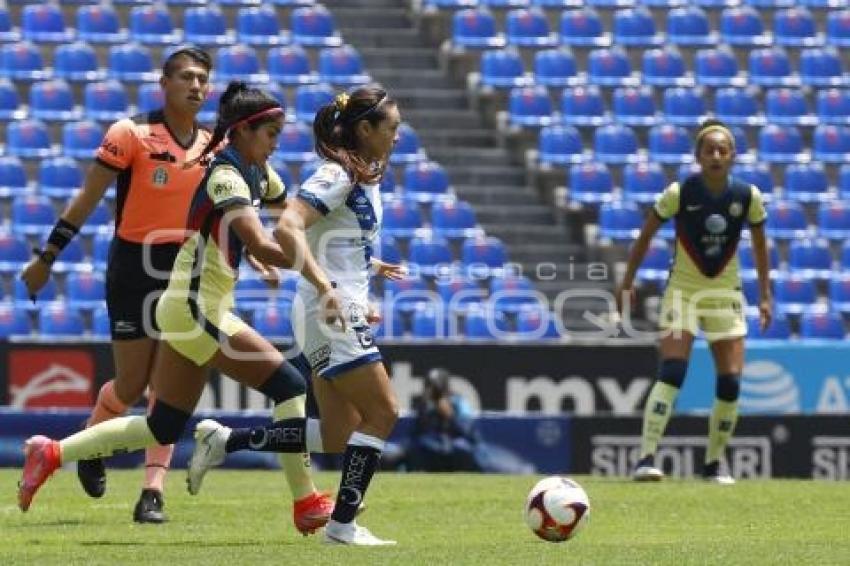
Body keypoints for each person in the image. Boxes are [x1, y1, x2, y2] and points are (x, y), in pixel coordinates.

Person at [17, 82, 337, 536]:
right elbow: (265, 240)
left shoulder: (258, 174)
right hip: (194, 309)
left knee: (162, 425)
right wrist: (309, 267)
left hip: (193, 307)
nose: (277, 142)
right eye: (271, 133)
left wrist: (341, 252)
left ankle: (50, 453)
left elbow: (291, 222)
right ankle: (306, 502)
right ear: (244, 131)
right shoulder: (225, 175)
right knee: (288, 385)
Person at [185, 85, 404, 546]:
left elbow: (332, 238)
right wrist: (329, 287)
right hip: (330, 308)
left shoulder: (361, 176)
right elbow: (288, 226)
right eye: (392, 127)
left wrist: (368, 266)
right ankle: (342, 527)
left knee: (340, 432)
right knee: (384, 411)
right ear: (364, 130)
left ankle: (225, 441)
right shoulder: (336, 174)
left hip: (325, 307)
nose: (398, 136)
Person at [19, 47, 215, 523]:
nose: (196, 86)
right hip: (133, 266)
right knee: (131, 385)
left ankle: (152, 494)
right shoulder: (130, 134)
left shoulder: (213, 145)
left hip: (185, 269)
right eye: (186, 77)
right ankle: (91, 445)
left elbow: (220, 213)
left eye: (203, 79)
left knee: (168, 390)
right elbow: (88, 198)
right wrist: (47, 258)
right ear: (163, 83)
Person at [616, 119, 772, 484]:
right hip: (683, 291)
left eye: (722, 149)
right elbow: (644, 237)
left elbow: (762, 247)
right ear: (698, 156)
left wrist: (765, 295)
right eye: (709, 150)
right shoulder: (679, 193)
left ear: (732, 155)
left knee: (730, 383)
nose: (716, 155)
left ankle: (713, 464)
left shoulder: (748, 197)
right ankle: (646, 458)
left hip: (724, 293)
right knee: (672, 372)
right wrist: (626, 282)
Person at [406, 368, 480, 472]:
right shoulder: (425, 405)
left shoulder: (459, 402)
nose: (433, 390)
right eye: (429, 386)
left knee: (462, 448)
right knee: (418, 447)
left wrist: (450, 415)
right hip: (432, 446)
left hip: (455, 444)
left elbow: (468, 433)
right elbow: (416, 432)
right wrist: (426, 412)